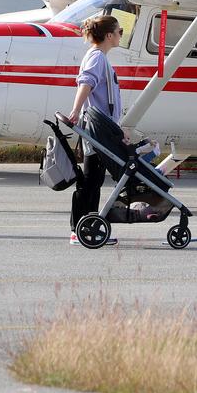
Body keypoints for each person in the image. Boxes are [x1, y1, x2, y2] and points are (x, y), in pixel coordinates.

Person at [64, 14, 125, 244]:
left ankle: (87, 226)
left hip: (101, 129)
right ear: (109, 35)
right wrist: (75, 110)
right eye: (119, 32)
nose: (120, 36)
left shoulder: (99, 56)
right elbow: (86, 83)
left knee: (93, 179)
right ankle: (80, 229)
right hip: (96, 130)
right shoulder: (97, 57)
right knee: (90, 179)